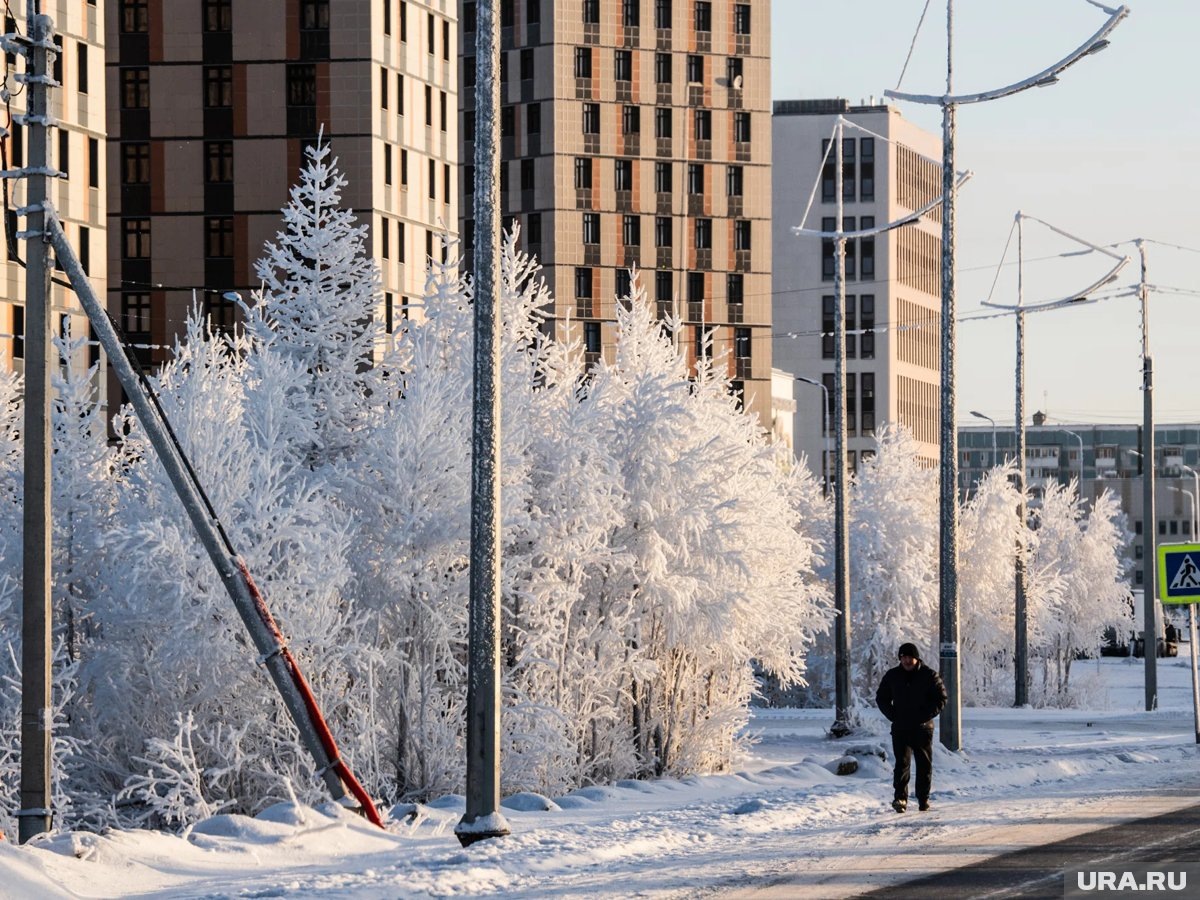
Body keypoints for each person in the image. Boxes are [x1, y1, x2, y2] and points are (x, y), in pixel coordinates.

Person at [875, 642, 948, 813]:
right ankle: (900, 798)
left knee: (924, 764)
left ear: (917, 658)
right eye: (904, 657)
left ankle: (923, 799)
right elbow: (881, 698)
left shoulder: (929, 675)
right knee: (902, 763)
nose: (907, 661)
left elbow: (941, 698)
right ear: (900, 659)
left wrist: (925, 715)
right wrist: (893, 715)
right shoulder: (893, 676)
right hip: (900, 727)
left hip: (923, 728)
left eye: (910, 658)